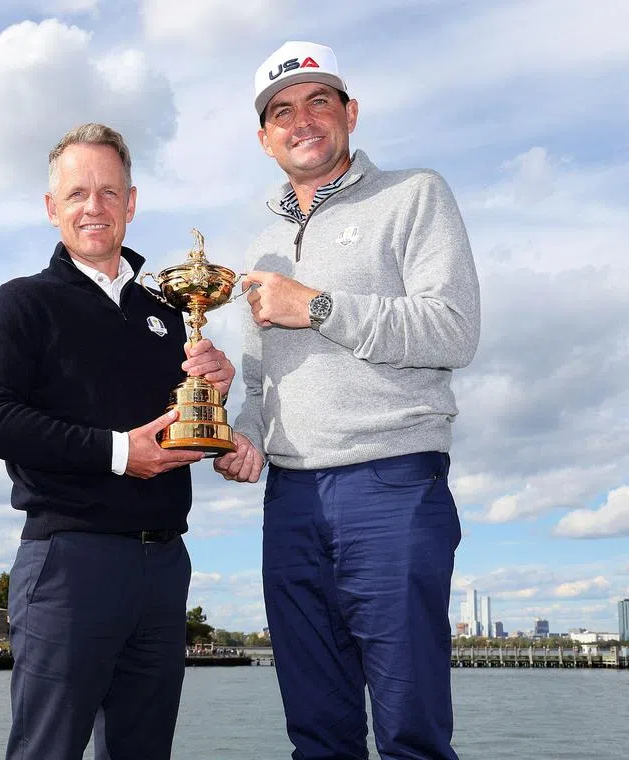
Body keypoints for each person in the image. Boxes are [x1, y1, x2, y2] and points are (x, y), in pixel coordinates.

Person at [215, 41, 480, 759]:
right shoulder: (261, 247)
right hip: (291, 502)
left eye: (318, 101)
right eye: (282, 111)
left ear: (349, 112)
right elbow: (260, 378)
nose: (302, 120)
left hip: (392, 483)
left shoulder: (416, 194)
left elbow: (453, 330)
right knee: (317, 734)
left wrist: (320, 306)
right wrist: (242, 434)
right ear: (265, 138)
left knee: (409, 733)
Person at [0, 122, 236, 760]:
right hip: (69, 562)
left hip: (166, 567)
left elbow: (185, 427)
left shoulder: (170, 314)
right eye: (78, 193)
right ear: (51, 208)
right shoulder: (22, 303)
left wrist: (222, 402)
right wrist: (119, 454)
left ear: (131, 204)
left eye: (109, 192)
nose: (95, 206)